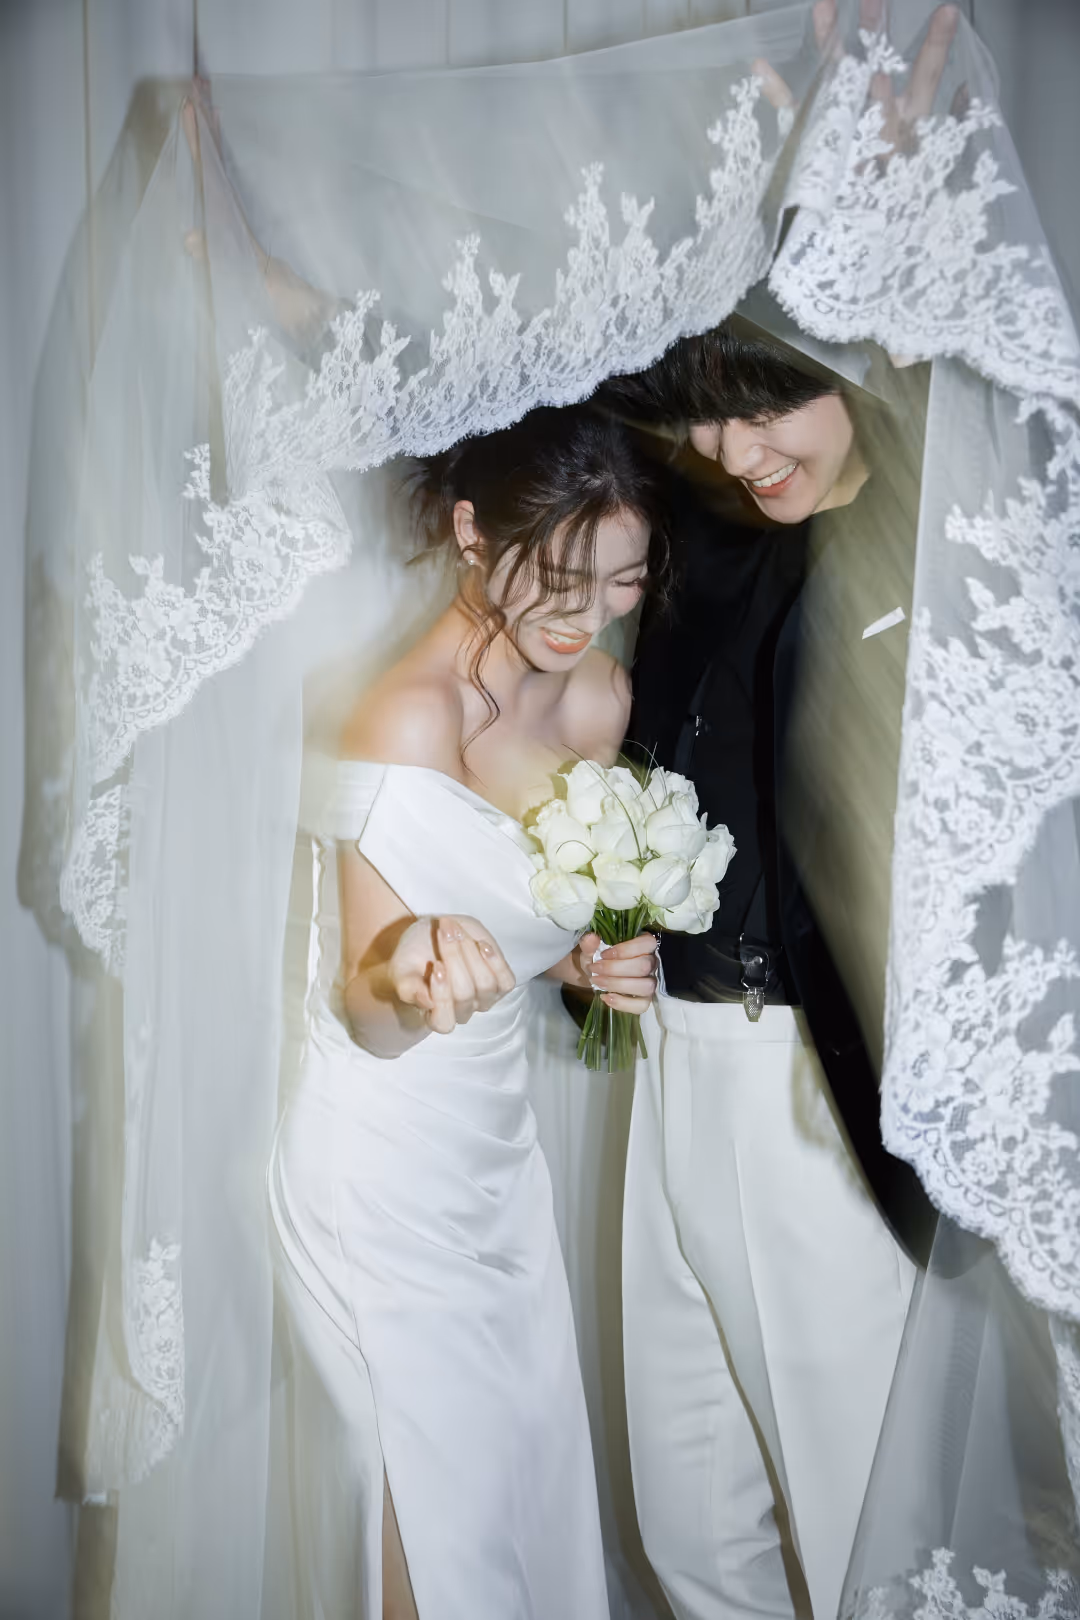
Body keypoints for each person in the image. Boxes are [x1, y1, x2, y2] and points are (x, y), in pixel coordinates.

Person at [266, 404, 665, 1620]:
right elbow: (366, 1010)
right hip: (380, 1158)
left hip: (498, 1163)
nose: (588, 613)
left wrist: (582, 968)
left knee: (514, 1483)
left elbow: (522, 921)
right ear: (470, 531)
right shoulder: (404, 719)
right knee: (432, 1519)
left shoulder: (598, 702)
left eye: (622, 581)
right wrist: (411, 974)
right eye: (560, 577)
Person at [601, 319, 938, 1620]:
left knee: (863, 1529)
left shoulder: (933, 553)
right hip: (670, 1061)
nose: (734, 451)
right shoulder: (704, 525)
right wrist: (602, 931)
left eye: (762, 411)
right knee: (687, 1525)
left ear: (861, 366)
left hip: (816, 1092)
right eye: (705, 416)